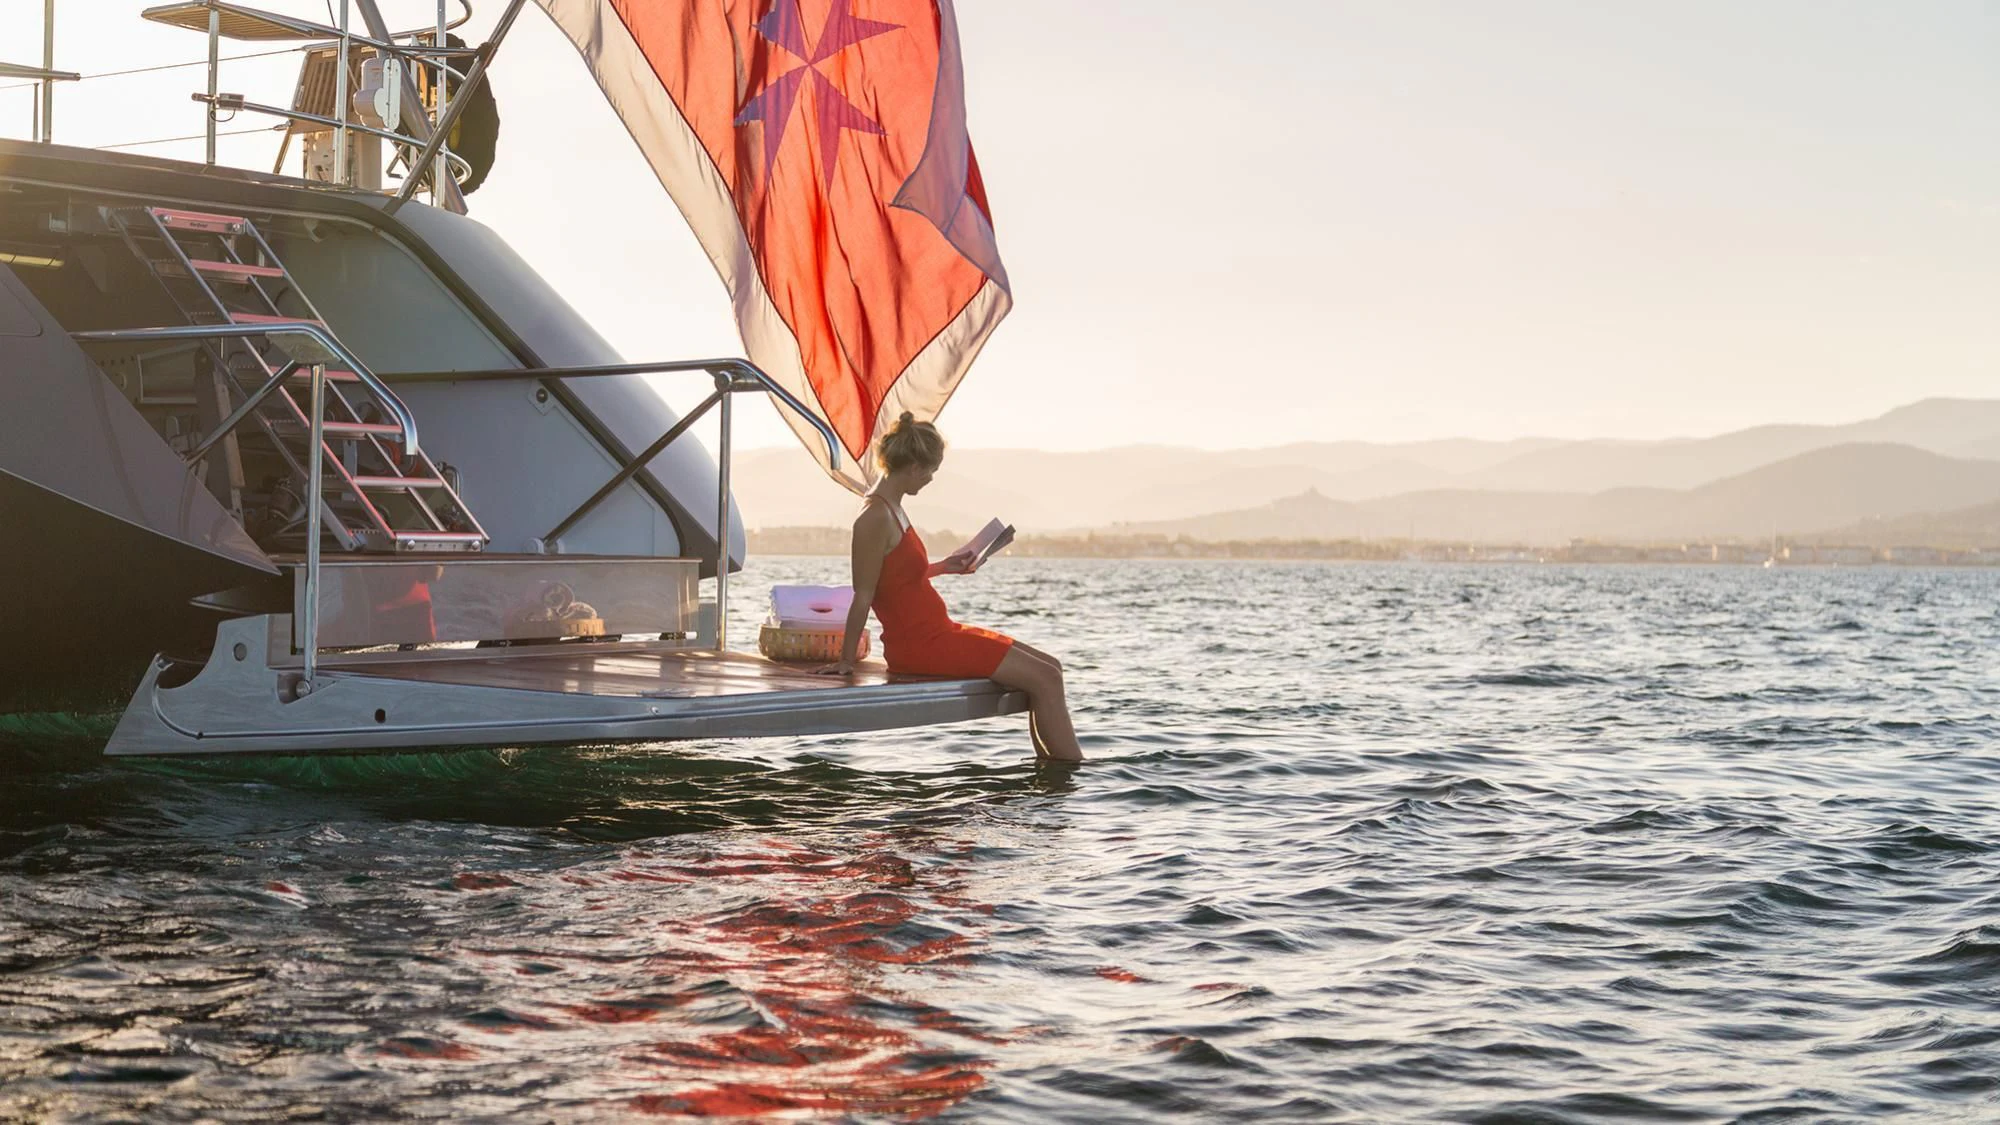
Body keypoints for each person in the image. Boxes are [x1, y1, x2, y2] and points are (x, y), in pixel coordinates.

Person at [814, 413, 1083, 762]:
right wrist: (846, 660)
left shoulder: (893, 508)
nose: (929, 480)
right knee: (1045, 679)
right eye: (929, 472)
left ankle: (1053, 766)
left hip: (939, 631)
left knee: (1051, 669)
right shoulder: (873, 518)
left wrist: (945, 567)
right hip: (920, 644)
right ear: (912, 467)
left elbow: (898, 578)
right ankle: (1071, 773)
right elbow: (864, 592)